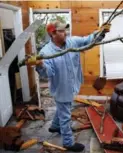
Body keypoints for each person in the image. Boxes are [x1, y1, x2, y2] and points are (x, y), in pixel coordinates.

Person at [33, 20, 110, 152]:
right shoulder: (46, 52)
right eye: (62, 31)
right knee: (65, 115)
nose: (66, 33)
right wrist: (40, 65)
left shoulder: (71, 42)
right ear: (52, 33)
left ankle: (54, 126)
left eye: (65, 30)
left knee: (63, 108)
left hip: (73, 84)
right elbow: (48, 73)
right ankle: (68, 142)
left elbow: (88, 41)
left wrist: (101, 33)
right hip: (61, 88)